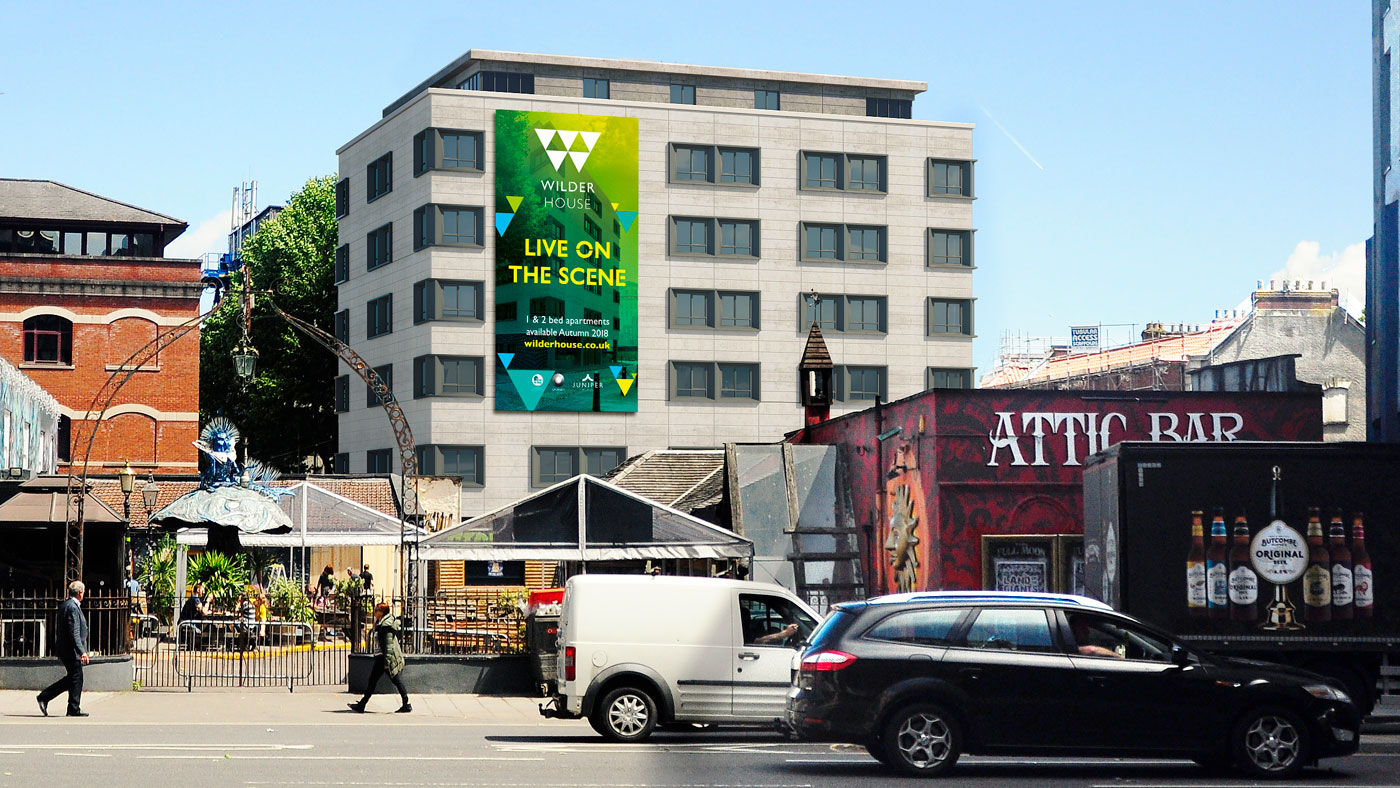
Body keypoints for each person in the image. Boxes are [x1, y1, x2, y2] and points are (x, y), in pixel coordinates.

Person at [37, 581, 90, 717]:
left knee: (74, 678)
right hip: (70, 650)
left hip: (67, 649)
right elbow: (74, 632)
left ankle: (70, 706)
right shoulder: (72, 607)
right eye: (83, 592)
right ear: (80, 593)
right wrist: (81, 651)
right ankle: (51, 699)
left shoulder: (68, 605)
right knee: (76, 677)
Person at [348, 602, 411, 714]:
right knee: (376, 681)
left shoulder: (386, 626)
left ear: (382, 612)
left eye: (377, 610)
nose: (375, 612)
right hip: (381, 656)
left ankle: (406, 704)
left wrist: (387, 661)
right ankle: (362, 705)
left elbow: (389, 644)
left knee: (394, 680)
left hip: (385, 658)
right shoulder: (380, 623)